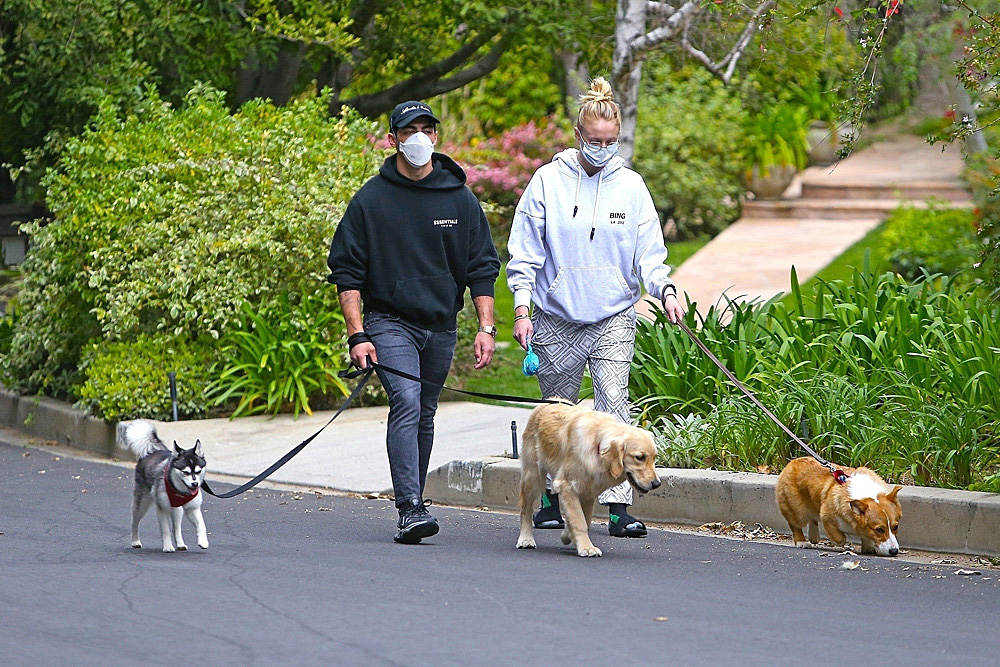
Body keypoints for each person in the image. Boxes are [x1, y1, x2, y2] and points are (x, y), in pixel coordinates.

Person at [506, 77, 685, 538]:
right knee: (558, 414)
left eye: (611, 142)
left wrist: (664, 290)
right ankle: (553, 499)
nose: (603, 148)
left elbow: (649, 252)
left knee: (614, 406)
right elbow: (525, 253)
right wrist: (523, 310)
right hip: (556, 314)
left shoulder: (631, 186)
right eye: (594, 141)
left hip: (613, 315)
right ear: (578, 135)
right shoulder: (547, 181)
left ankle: (620, 508)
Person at [327, 100, 501, 544]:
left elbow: (481, 266)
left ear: (436, 137)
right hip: (390, 322)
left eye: (427, 128)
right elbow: (346, 271)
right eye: (410, 130)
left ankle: (415, 499)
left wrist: (485, 326)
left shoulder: (459, 198)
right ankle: (409, 508)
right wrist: (357, 334)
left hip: (441, 324)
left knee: (425, 412)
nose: (419, 137)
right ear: (393, 140)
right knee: (406, 401)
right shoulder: (371, 200)